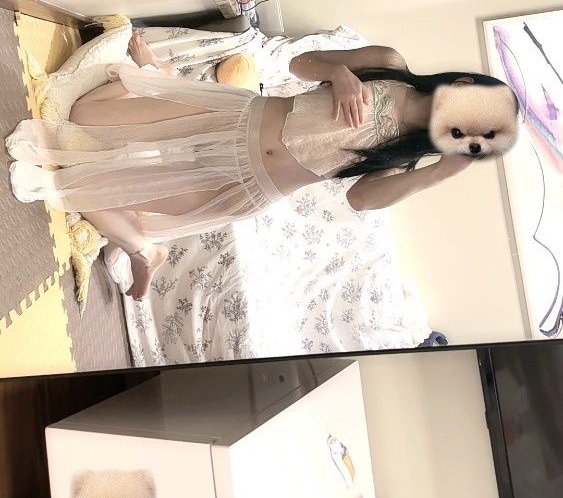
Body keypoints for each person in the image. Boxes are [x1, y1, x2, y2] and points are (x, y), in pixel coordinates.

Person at [6, 33, 517, 301]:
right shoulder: (389, 63)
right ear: (465, 86)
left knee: (79, 190)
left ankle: (146, 251)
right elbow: (298, 64)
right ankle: (161, 75)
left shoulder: (406, 158)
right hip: (230, 117)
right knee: (83, 113)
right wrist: (340, 73)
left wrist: (436, 174)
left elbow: (359, 199)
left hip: (245, 184)